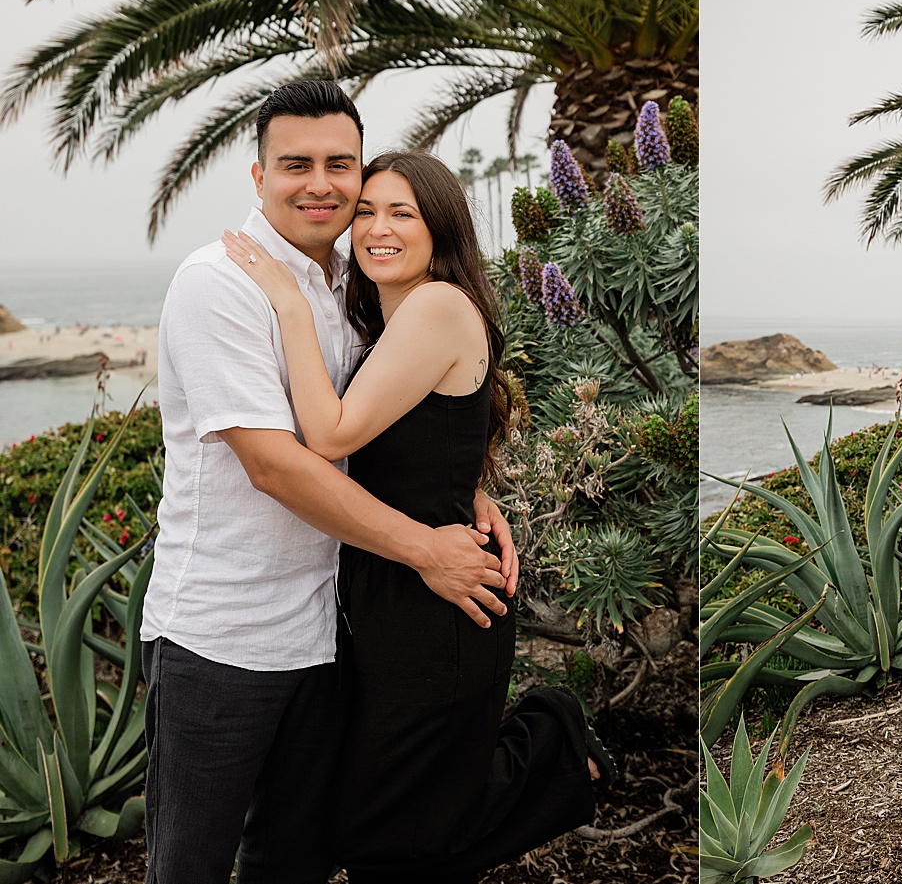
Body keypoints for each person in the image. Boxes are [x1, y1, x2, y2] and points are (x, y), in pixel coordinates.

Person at [141, 81, 517, 884]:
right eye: (296, 164)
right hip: (223, 637)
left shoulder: (352, 290)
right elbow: (277, 462)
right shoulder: (220, 283)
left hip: (328, 632)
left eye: (339, 163)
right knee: (191, 867)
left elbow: (399, 423)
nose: (321, 183)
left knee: (295, 861)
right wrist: (427, 544)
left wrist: (459, 489)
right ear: (258, 175)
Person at [223, 150, 609, 882]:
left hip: (437, 602)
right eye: (365, 210)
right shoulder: (393, 318)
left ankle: (558, 740)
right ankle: (556, 754)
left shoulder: (436, 305)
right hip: (396, 589)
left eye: (401, 211)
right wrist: (468, 487)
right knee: (400, 830)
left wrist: (287, 302)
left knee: (386, 831)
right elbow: (429, 440)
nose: (376, 227)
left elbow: (331, 433)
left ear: (440, 225)